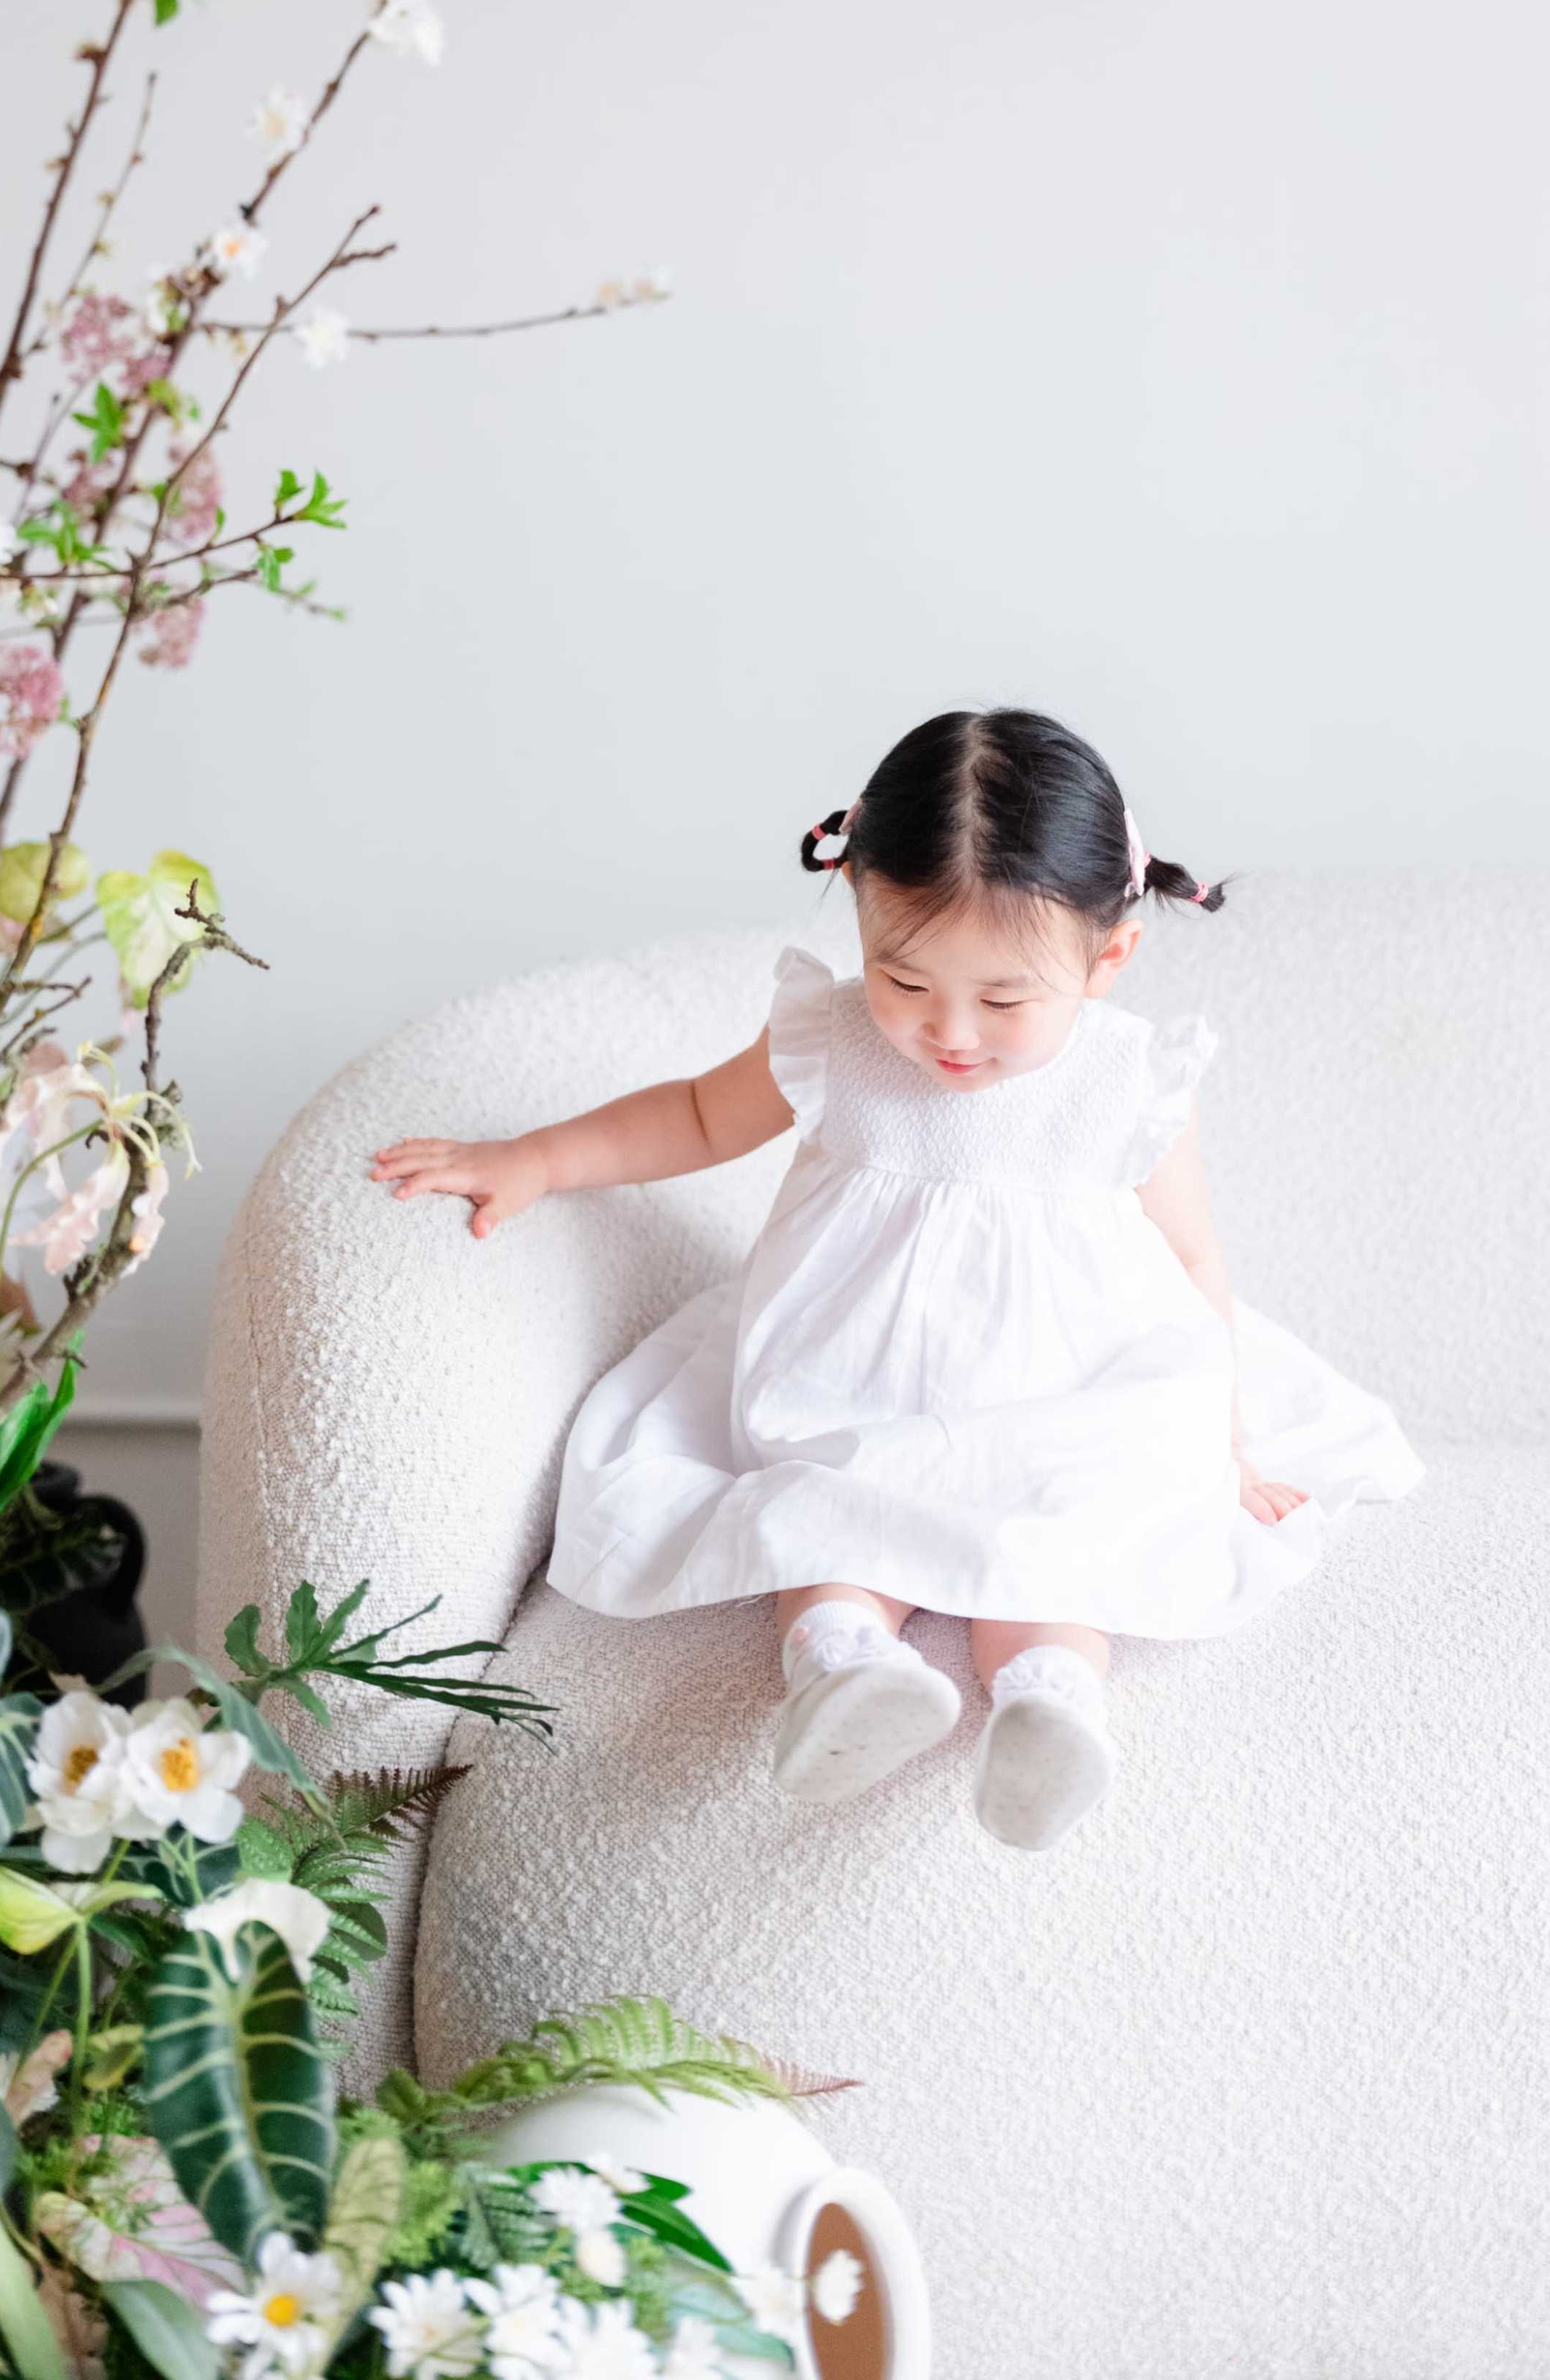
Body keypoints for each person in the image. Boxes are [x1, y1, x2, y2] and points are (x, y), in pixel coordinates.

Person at [371, 707, 1424, 1851]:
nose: (949, 1032)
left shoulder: (1128, 1080)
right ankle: (844, 1670)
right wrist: (532, 1160)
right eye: (904, 979)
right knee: (825, 1514)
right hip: (855, 1368)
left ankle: (1049, 1710)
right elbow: (692, 1116)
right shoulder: (837, 1040)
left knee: (1065, 1530)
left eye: (1006, 1000)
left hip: (1064, 1378)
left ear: (1108, 959)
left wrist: (1224, 1444)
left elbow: (1193, 1260)